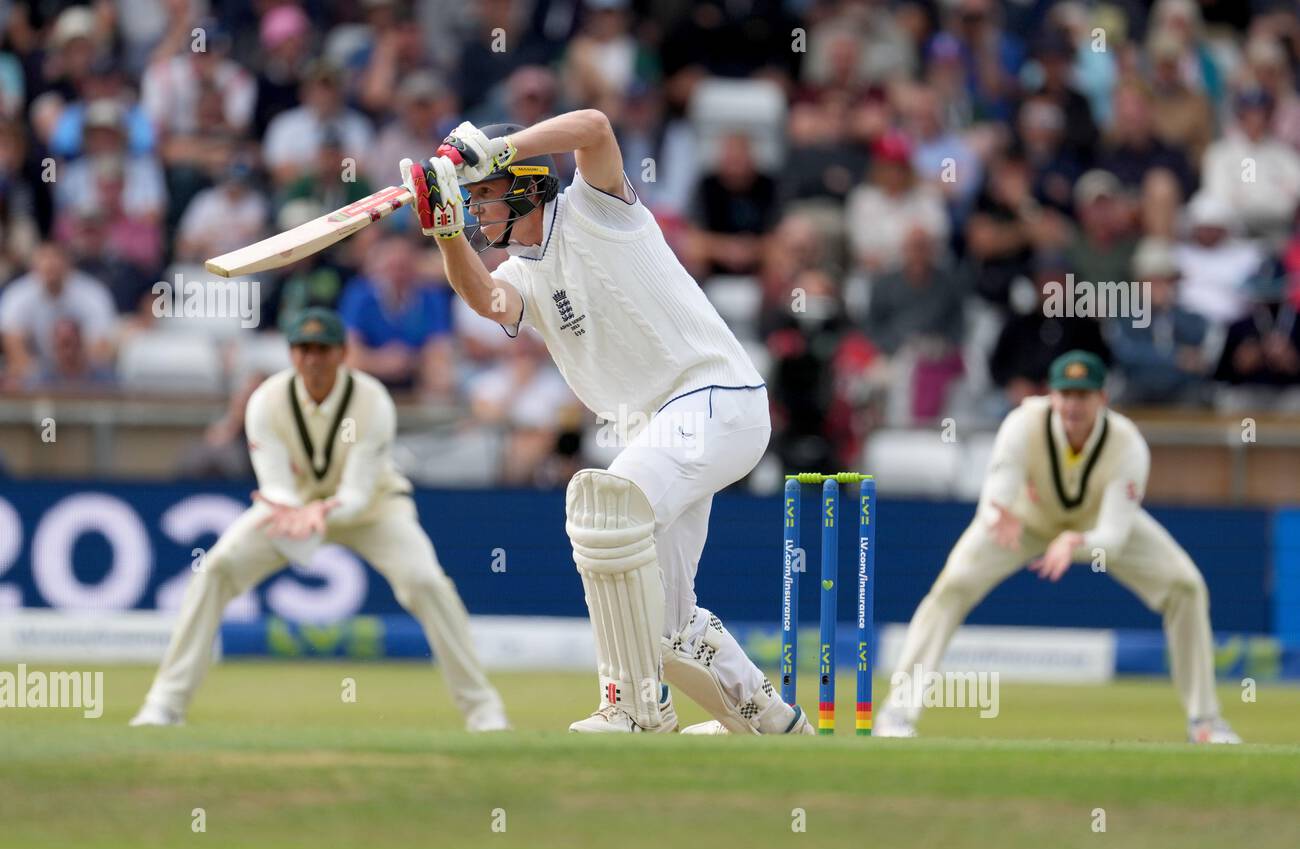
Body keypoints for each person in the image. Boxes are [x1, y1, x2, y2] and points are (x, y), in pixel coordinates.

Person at [400, 111, 812, 735]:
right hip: (665, 431)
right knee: (670, 626)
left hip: (715, 397)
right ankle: (775, 726)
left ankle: (632, 707)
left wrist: (493, 148)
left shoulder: (595, 208)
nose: (478, 211)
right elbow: (487, 300)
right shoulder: (522, 274)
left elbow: (593, 126)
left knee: (605, 507)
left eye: (485, 196)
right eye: (472, 203)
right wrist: (446, 232)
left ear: (525, 186)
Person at [130, 308, 508, 731]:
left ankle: (484, 711)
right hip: (291, 511)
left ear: (342, 354)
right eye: (303, 349)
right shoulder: (266, 402)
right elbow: (274, 484)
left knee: (426, 582)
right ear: (291, 354)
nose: (313, 359)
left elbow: (358, 493)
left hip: (373, 511)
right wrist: (294, 509)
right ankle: (165, 705)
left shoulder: (373, 401)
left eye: (322, 350)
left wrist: (322, 511)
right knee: (216, 570)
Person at [874, 350, 1241, 744]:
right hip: (1023, 524)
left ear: (1102, 398)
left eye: (1083, 395)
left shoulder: (1127, 444)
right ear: (1052, 396)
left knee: (1185, 586)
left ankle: (1204, 720)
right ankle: (897, 713)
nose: (1072, 405)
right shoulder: (1022, 425)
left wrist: (1077, 542)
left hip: (1094, 527)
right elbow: (994, 497)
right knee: (952, 586)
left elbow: (1113, 540)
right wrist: (998, 515)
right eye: (1065, 394)